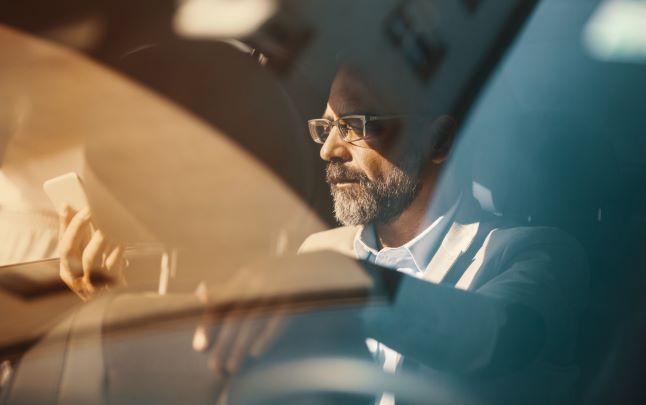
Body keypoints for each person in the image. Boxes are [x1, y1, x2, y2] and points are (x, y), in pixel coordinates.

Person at [298, 67, 589, 404]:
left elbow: (496, 339)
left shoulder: (539, 253)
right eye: (326, 128)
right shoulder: (318, 251)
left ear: (438, 140)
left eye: (355, 126)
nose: (329, 150)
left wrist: (349, 284)